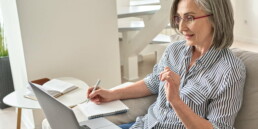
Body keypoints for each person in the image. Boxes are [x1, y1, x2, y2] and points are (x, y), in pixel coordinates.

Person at [87, 0, 246, 128]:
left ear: (215, 18)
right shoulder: (174, 50)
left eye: (189, 17)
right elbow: (153, 82)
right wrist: (111, 94)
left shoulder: (230, 71)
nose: (181, 27)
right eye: (179, 18)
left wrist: (176, 101)